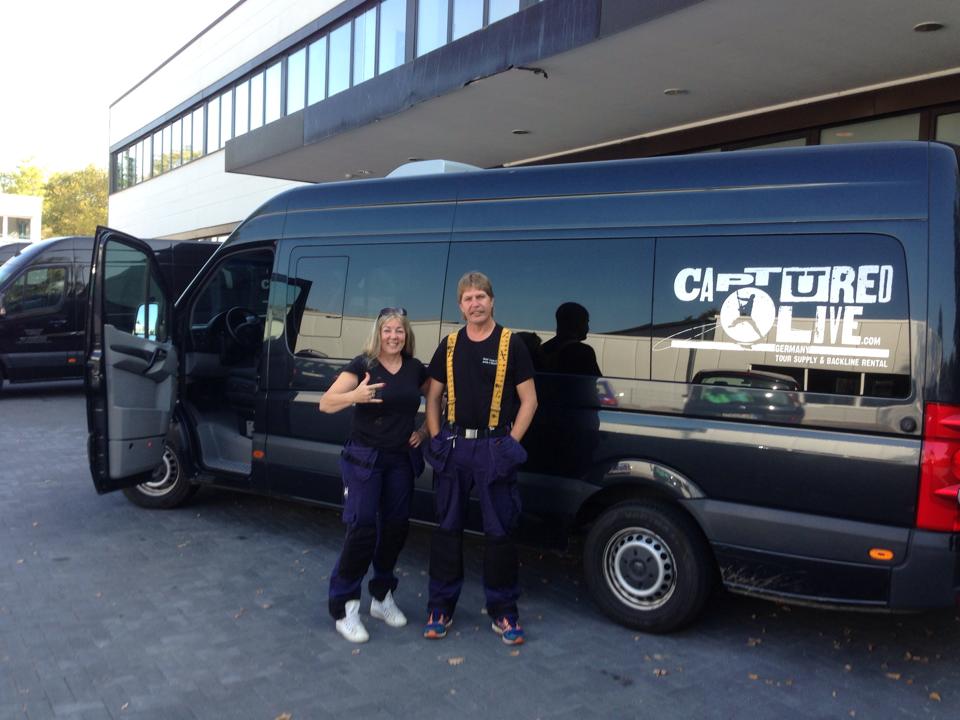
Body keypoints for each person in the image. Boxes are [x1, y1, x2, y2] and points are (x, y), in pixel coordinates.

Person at [422, 272, 538, 645]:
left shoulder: (511, 343)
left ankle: (503, 612)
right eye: (468, 299)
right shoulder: (450, 345)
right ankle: (440, 607)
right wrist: (437, 437)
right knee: (447, 529)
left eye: (480, 297)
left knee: (499, 532)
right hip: (455, 446)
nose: (475, 304)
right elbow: (433, 396)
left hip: (494, 448)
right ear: (460, 306)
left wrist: (510, 443)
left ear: (492, 301)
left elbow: (530, 400)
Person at [319, 308, 429, 643]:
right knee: (363, 529)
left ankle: (381, 597)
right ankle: (345, 607)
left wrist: (424, 431)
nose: (393, 336)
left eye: (399, 330)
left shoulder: (414, 368)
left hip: (400, 460)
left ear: (406, 335)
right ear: (378, 333)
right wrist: (355, 396)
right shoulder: (363, 365)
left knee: (395, 528)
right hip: (365, 459)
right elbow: (326, 403)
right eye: (388, 330)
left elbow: (438, 398)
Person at [540, 302, 601, 377]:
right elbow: (597, 381)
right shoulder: (583, 351)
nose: (588, 328)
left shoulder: (543, 350)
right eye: (586, 322)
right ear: (578, 324)